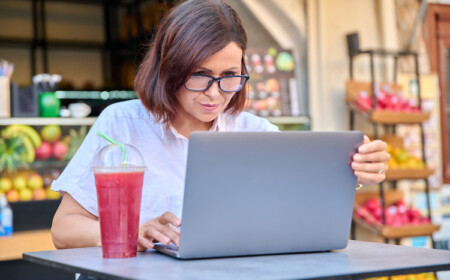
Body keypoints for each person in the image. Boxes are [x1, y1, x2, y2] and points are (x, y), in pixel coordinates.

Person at [51, 0, 390, 251]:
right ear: (168, 68)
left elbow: (299, 216)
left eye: (229, 76)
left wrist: (350, 173)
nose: (215, 94)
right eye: (200, 75)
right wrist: (131, 231)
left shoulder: (257, 134)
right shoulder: (122, 124)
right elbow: (63, 230)